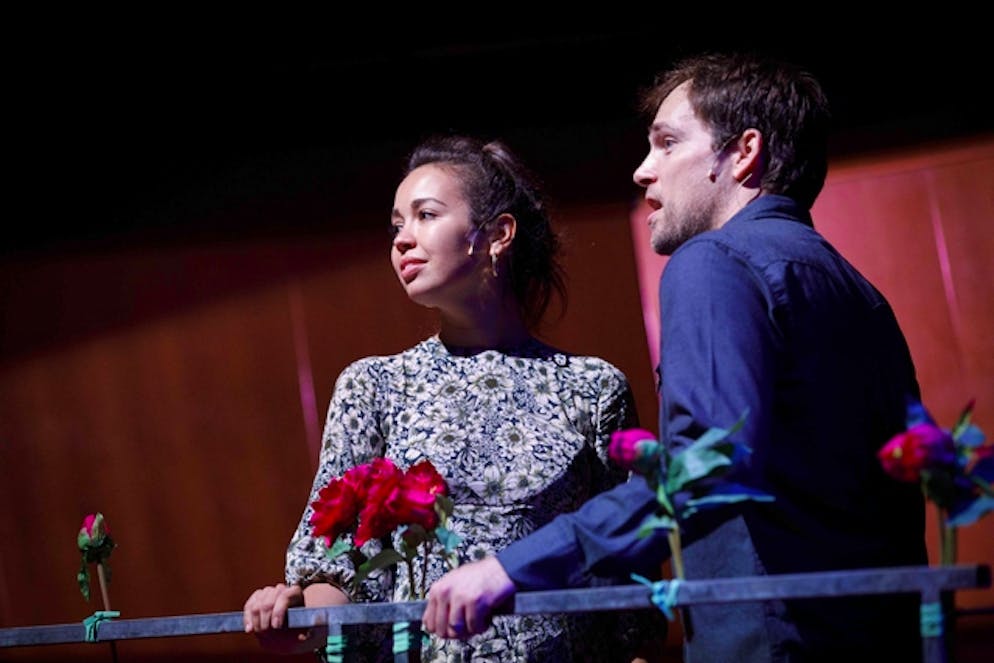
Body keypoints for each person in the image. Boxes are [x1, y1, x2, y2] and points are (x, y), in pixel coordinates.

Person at [422, 53, 927, 662]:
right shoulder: (857, 290)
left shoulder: (714, 262)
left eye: (667, 143)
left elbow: (707, 464)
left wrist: (514, 567)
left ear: (743, 153)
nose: (642, 170)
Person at [243, 135, 662, 661]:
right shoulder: (374, 385)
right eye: (396, 225)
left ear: (497, 235)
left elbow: (626, 577)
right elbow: (339, 563)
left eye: (425, 215)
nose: (402, 239)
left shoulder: (593, 388)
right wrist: (298, 617)